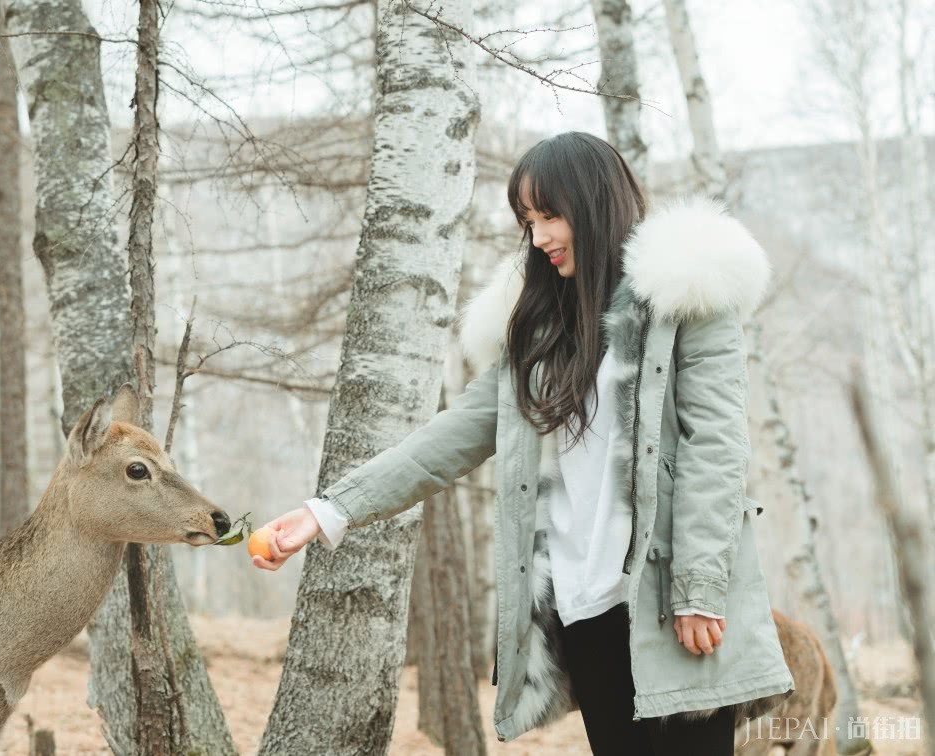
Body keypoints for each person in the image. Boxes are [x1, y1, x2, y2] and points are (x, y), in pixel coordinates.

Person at [252, 132, 795, 754]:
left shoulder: (686, 298)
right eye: (528, 221)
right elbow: (451, 436)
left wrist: (698, 590)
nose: (538, 237)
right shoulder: (539, 329)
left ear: (595, 203)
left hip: (668, 601)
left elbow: (715, 451)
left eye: (551, 215)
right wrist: (329, 509)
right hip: (583, 606)